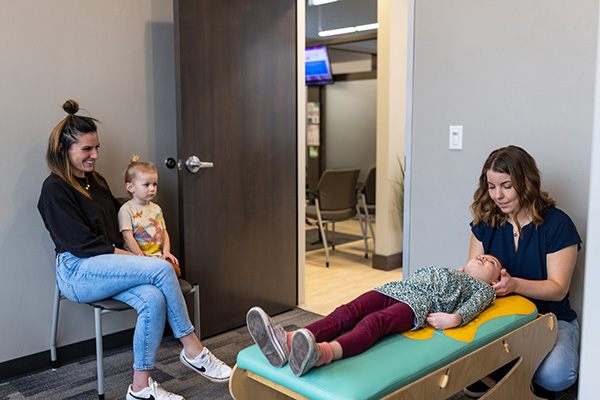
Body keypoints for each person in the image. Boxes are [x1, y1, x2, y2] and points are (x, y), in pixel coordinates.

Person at [37, 100, 231, 400]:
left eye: (96, 147)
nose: (95, 155)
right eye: (87, 149)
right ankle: (194, 350)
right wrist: (141, 260)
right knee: (161, 269)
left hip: (107, 267)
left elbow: (119, 216)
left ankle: (139, 388)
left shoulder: (94, 181)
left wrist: (147, 224)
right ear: (64, 151)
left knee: (153, 299)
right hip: (78, 271)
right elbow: (84, 245)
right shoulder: (54, 190)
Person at [246, 255, 502, 377]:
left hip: (418, 305)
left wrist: (454, 319)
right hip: (392, 289)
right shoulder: (451, 269)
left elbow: (474, 306)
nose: (483, 256)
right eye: (482, 255)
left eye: (491, 262)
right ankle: (287, 342)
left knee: (373, 323)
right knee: (346, 312)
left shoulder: (482, 290)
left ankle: (321, 354)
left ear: (493, 281)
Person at [468, 145, 581, 397]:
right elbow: (474, 279)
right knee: (468, 363)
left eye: (506, 186)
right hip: (500, 319)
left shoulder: (558, 224)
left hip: (551, 319)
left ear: (526, 182)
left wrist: (515, 285)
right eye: (491, 186)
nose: (498, 195)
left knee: (556, 376)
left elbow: (558, 289)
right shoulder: (487, 221)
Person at [119, 156, 181, 277]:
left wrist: (166, 252)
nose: (152, 189)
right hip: (137, 258)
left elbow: (164, 233)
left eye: (154, 184)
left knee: (175, 271)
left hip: (157, 257)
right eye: (146, 185)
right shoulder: (127, 209)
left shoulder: (156, 209)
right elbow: (128, 238)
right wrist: (141, 257)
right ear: (130, 187)